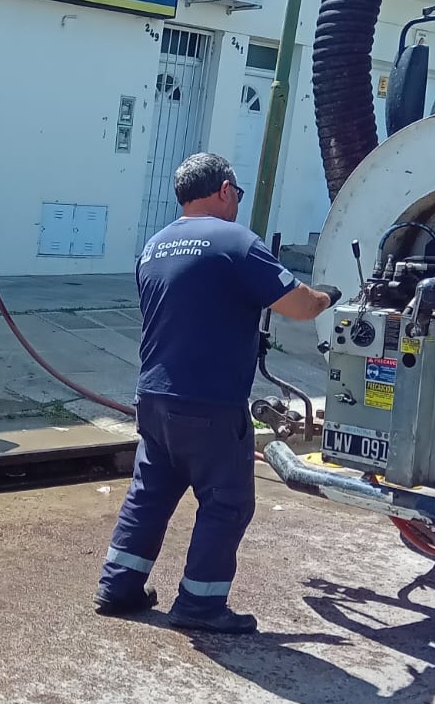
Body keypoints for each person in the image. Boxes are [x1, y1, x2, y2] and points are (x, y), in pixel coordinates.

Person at [95, 152, 341, 634]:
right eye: (238, 195)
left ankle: (118, 587)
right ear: (225, 189)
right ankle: (200, 604)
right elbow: (300, 307)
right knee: (227, 501)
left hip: (154, 398)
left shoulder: (154, 246)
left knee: (151, 493)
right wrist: (330, 293)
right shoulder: (236, 242)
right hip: (210, 403)